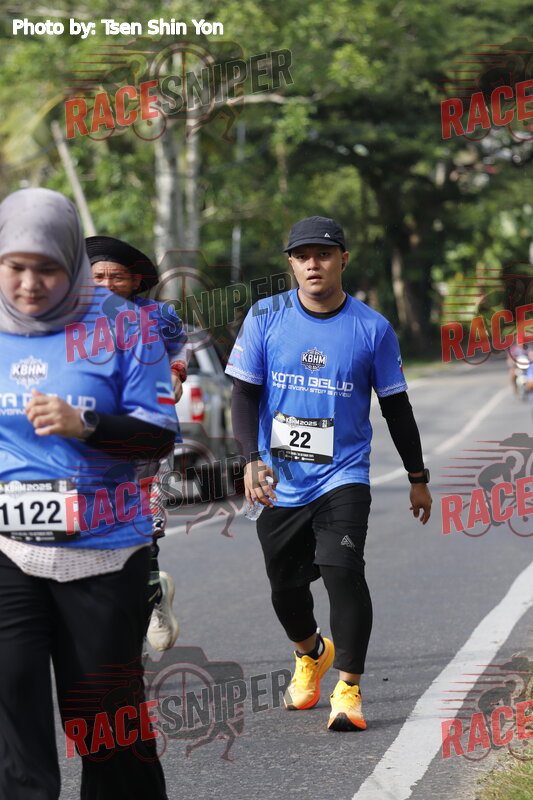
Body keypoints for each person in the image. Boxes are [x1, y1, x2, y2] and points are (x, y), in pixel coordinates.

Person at [0, 188, 177, 798]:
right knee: (12, 706)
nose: (29, 284)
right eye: (15, 267)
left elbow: (158, 437)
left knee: (105, 726)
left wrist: (87, 424)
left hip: (105, 551)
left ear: (72, 261)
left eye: (47, 268)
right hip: (9, 551)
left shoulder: (125, 326)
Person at [226, 216, 432, 731]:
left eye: (323, 254)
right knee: (284, 586)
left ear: (343, 258)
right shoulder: (265, 316)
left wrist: (417, 476)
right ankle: (311, 653)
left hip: (343, 475)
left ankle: (349, 689)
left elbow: (396, 407)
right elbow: (244, 394)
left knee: (343, 571)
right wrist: (250, 458)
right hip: (279, 478)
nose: (313, 264)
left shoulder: (372, 328)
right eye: (302, 256)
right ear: (291, 264)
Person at [87, 235, 187, 651]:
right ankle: (147, 595)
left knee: (144, 532)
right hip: (91, 449)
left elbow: (178, 348)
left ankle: (148, 605)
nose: (107, 285)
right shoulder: (69, 320)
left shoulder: (157, 316)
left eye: (117, 277)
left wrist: (176, 373)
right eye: (98, 277)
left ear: (134, 281)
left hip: (148, 444)